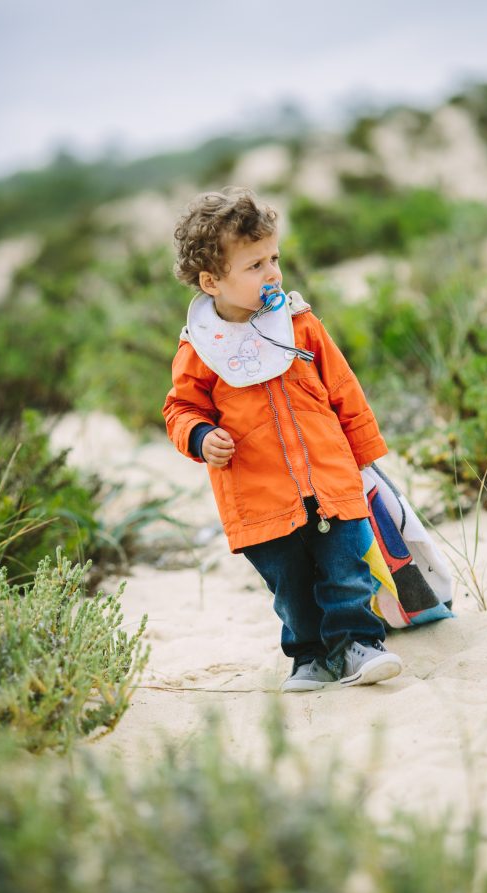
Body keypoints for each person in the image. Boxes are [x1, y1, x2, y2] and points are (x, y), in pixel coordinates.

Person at [162, 186, 403, 692]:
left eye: (274, 258)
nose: (272, 273)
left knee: (346, 569)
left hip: (329, 477)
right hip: (259, 494)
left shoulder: (298, 323)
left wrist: (364, 460)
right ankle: (310, 656)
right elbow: (180, 408)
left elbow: (343, 389)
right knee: (290, 585)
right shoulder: (202, 349)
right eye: (254, 266)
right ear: (212, 281)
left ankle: (360, 644)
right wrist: (201, 436)